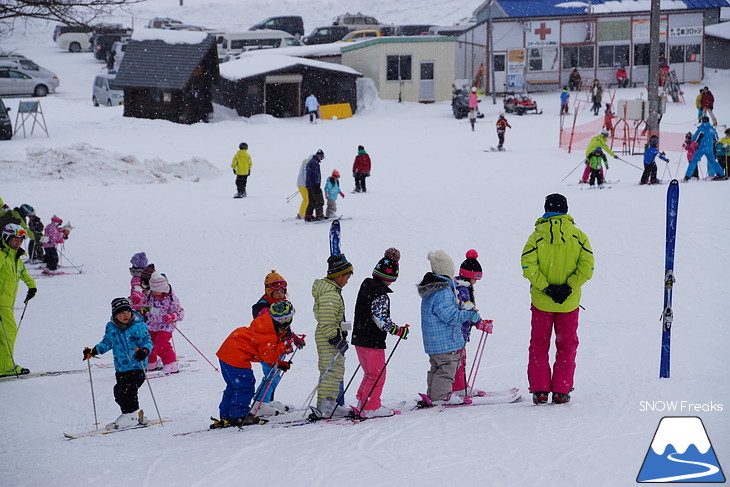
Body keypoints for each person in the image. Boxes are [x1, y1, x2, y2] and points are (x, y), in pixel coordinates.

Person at [521, 194, 594, 405]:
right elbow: (587, 267)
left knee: (539, 344)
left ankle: (540, 390)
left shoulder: (535, 238)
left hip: (542, 302)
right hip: (568, 304)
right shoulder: (579, 237)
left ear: (546, 210)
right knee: (567, 344)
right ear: (566, 210)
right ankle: (561, 390)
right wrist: (569, 287)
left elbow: (528, 265)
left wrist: (546, 287)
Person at [213, 300, 295, 428]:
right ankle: (239, 416)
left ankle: (227, 415)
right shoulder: (268, 332)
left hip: (227, 353)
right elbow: (268, 355)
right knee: (245, 386)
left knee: (233, 386)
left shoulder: (268, 323)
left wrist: (279, 363)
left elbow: (267, 354)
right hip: (236, 355)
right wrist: (283, 346)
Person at [416, 250, 481, 407]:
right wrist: (468, 316)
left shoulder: (432, 289)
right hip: (445, 341)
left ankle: (433, 393)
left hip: (434, 341)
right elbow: (450, 316)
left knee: (436, 368)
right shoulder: (443, 291)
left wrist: (459, 307)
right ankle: (440, 396)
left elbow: (444, 310)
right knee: (446, 369)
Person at [351, 248, 408, 418]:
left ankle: (363, 401)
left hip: (359, 338)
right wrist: (398, 330)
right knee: (377, 374)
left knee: (370, 373)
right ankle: (371, 406)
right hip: (372, 340)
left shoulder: (366, 288)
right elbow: (380, 319)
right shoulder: (381, 294)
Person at [82, 298, 153, 429]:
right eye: (120, 313)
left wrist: (144, 351)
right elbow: (107, 342)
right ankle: (133, 415)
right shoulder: (111, 328)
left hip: (137, 366)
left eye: (127, 311)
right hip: (121, 368)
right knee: (119, 392)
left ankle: (130, 416)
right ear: (115, 315)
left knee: (128, 390)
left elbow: (147, 341)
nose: (125, 315)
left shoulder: (139, 325)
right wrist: (93, 351)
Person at [250, 270, 306, 416]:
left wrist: (293, 337)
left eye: (282, 292)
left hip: (279, 346)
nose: (280, 295)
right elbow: (271, 328)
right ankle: (259, 404)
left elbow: (284, 327)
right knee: (271, 375)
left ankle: (267, 400)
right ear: (268, 292)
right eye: (276, 292)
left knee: (273, 375)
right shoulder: (264, 308)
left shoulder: (280, 305)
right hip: (269, 347)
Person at [312, 252, 354, 418]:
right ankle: (326, 405)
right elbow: (326, 320)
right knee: (331, 371)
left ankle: (327, 403)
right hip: (328, 339)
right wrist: (335, 339)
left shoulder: (332, 292)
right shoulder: (330, 295)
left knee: (333, 370)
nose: (347, 282)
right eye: (346, 278)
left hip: (329, 338)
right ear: (338, 276)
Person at [452, 249, 492, 398]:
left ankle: (462, 386)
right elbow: (468, 308)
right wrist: (480, 322)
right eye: (475, 279)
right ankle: (458, 389)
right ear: (470, 276)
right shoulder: (462, 290)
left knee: (459, 359)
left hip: (459, 332)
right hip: (458, 332)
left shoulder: (459, 287)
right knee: (458, 360)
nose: (476, 282)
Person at [0, 224, 37, 376]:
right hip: (1, 303)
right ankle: (6, 367)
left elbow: (24, 274)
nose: (18, 243)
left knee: (4, 335)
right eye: (15, 239)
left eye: (20, 240)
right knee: (8, 333)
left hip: (7, 303)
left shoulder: (16, 258)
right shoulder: (1, 255)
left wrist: (32, 287)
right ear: (6, 238)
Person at [145, 271, 184, 373]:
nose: (154, 293)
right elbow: (145, 306)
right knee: (148, 342)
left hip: (165, 326)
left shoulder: (171, 298)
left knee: (161, 344)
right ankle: (151, 362)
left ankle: (171, 364)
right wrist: (146, 312)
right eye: (153, 290)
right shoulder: (150, 295)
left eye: (157, 291)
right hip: (152, 324)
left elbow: (180, 312)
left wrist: (172, 316)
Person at [684, 116, 725, 182]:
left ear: (702, 121)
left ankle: (688, 176)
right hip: (709, 148)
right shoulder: (712, 129)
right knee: (713, 162)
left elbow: (694, 139)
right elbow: (717, 138)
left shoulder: (701, 129)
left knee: (694, 161)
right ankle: (721, 174)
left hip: (701, 148)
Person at [305, 149, 326, 222]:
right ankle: (319, 215)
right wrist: (317, 184)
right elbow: (315, 175)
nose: (322, 159)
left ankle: (308, 215)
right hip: (314, 185)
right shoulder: (315, 163)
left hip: (309, 185)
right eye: (322, 157)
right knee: (319, 200)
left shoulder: (311, 162)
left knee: (311, 201)